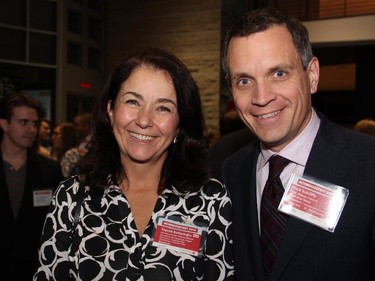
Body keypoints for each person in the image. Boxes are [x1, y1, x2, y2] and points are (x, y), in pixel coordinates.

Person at [34, 48, 234, 280]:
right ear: (110, 111)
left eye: (163, 108)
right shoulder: (72, 197)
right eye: (132, 101)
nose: (144, 120)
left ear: (180, 122)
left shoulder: (210, 201)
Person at [214, 7, 375, 281]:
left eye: (278, 74)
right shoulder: (231, 169)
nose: (261, 97)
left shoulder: (368, 164)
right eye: (244, 80)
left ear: (312, 75)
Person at [0, 92, 64, 280]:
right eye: (23, 122)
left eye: (34, 123)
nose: (31, 129)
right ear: (4, 124)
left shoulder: (50, 170)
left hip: (35, 271)